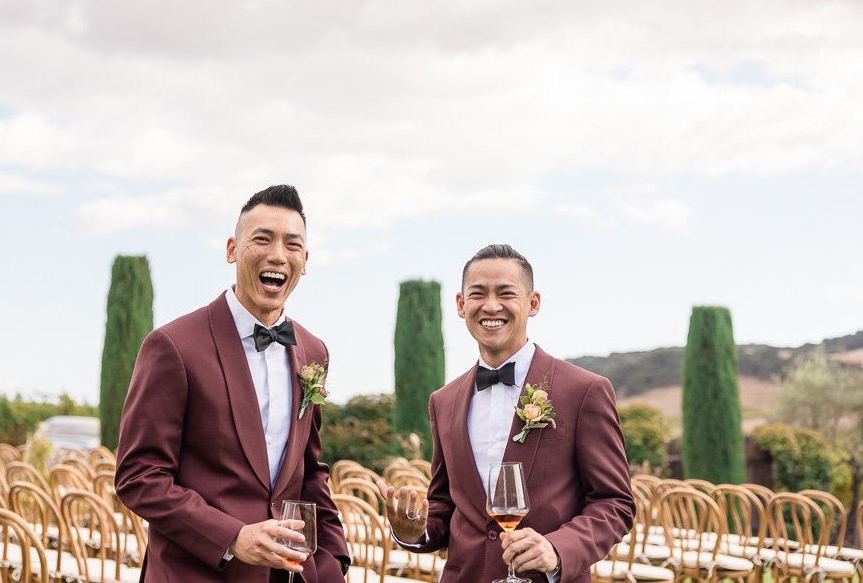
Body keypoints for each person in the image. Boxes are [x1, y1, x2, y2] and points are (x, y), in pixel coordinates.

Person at [116, 184, 349, 583]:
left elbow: (310, 472)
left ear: (305, 260)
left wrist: (334, 563)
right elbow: (139, 475)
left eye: (292, 245)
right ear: (232, 250)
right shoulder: (172, 346)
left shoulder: (314, 351)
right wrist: (233, 537)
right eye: (262, 239)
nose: (278, 254)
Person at [378, 244, 635, 583]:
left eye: (506, 293)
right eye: (478, 294)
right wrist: (414, 531)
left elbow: (614, 503)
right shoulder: (443, 400)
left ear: (533, 303)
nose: (491, 306)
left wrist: (557, 550)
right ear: (461, 305)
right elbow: (446, 505)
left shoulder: (584, 390)